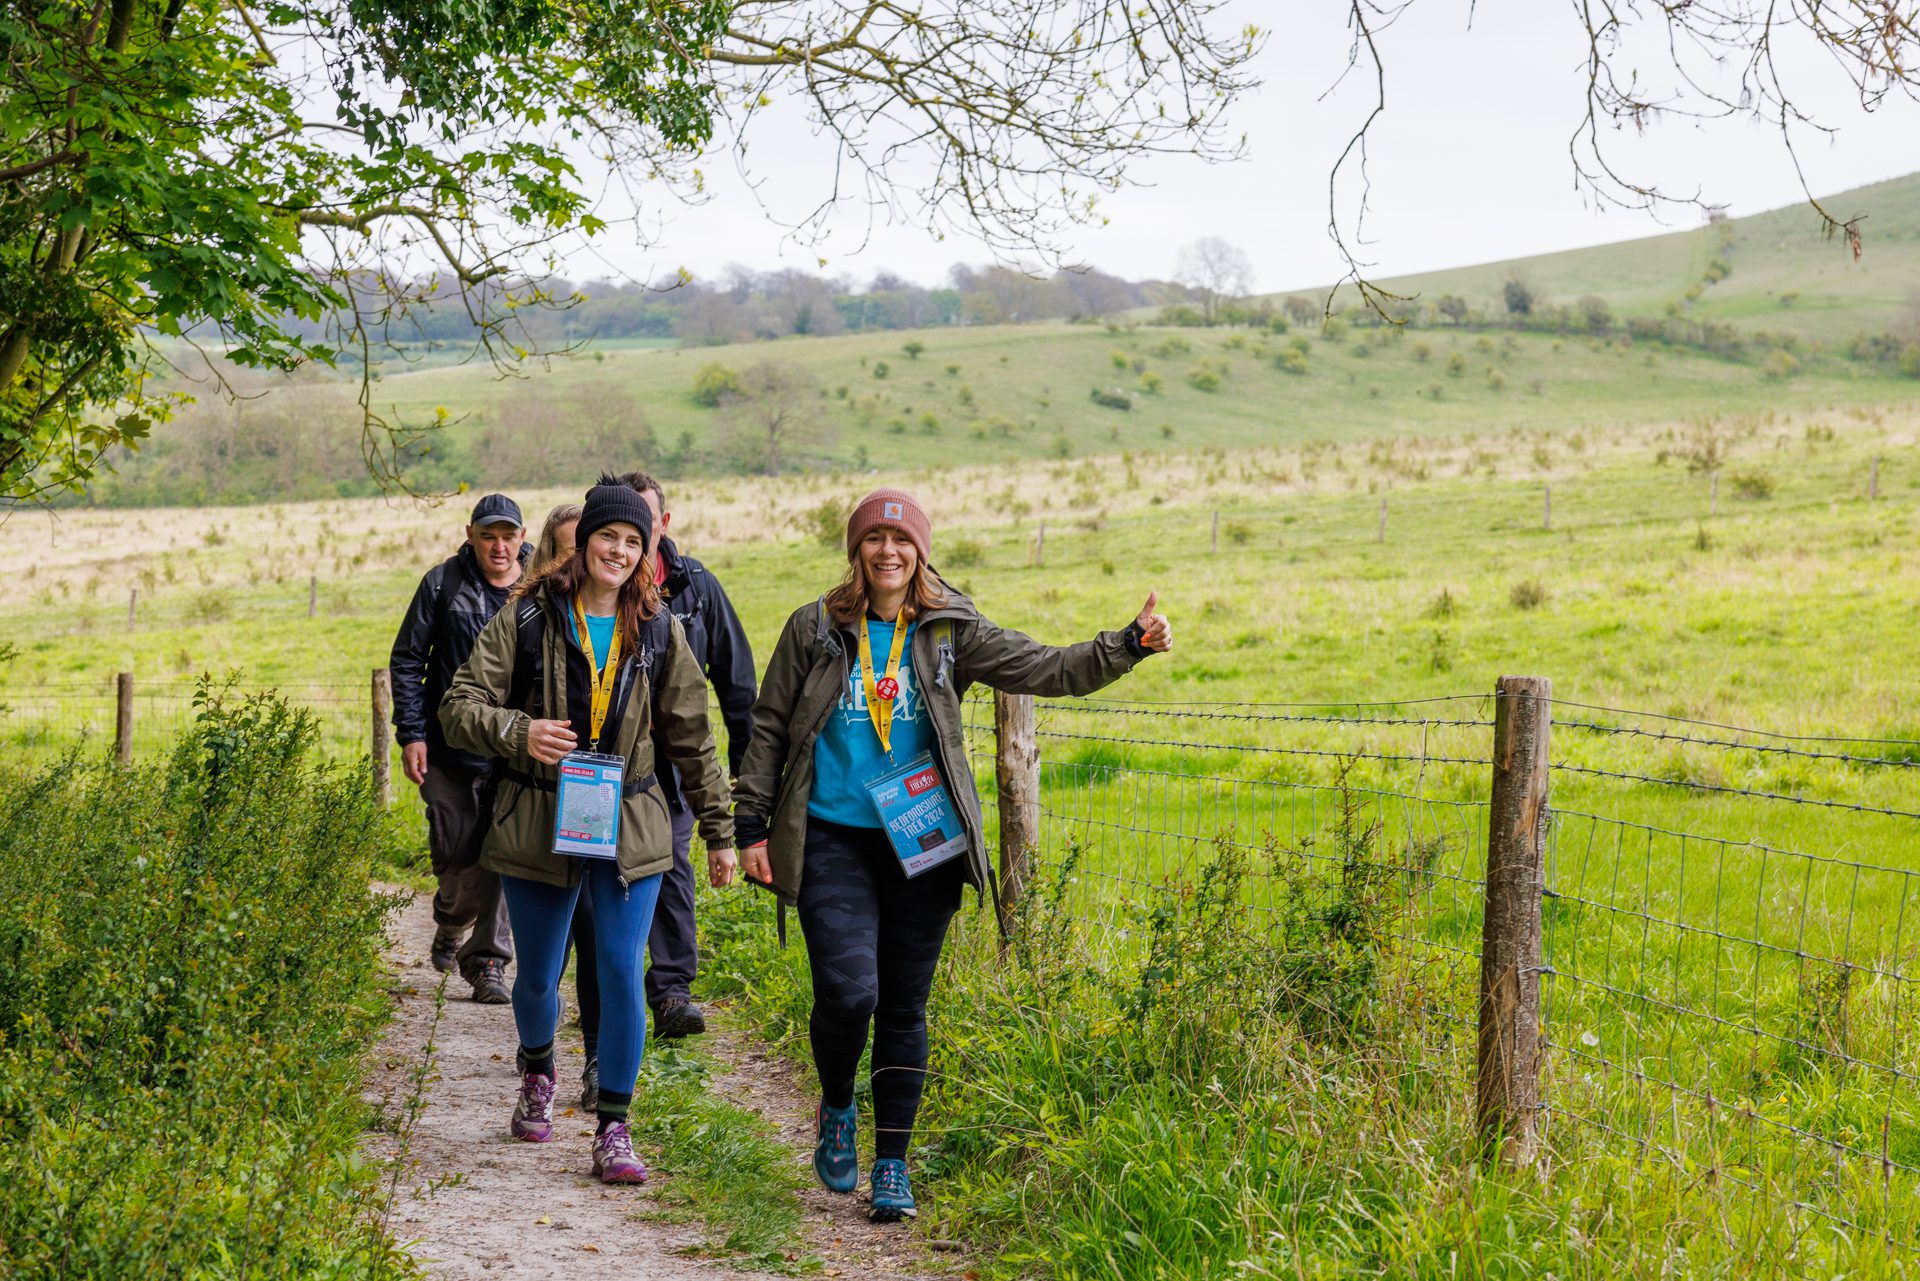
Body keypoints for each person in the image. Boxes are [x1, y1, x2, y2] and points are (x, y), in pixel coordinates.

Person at [733, 488, 1173, 1222]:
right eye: (874, 540)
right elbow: (769, 726)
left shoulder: (948, 628)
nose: (888, 553)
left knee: (904, 1003)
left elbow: (1045, 667)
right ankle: (838, 1102)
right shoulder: (815, 627)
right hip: (834, 836)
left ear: (922, 552)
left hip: (924, 840)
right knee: (849, 994)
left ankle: (892, 1163)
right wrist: (751, 827)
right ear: (856, 550)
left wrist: (1125, 644)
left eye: (902, 542)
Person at [439, 476, 739, 1185]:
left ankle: (614, 1127)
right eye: (609, 535)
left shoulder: (661, 630)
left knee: (619, 968)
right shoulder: (529, 618)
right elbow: (459, 705)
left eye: (635, 541)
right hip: (539, 815)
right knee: (540, 975)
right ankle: (538, 1071)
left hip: (632, 822)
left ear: (647, 550)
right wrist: (520, 731)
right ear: (583, 542)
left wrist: (721, 832)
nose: (620, 550)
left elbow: (695, 739)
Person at [558, 474, 760, 1112]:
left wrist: (736, 805)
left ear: (661, 525)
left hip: (660, 782)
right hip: (586, 785)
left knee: (670, 878)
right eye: (613, 532)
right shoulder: (563, 601)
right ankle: (594, 1048)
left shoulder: (695, 591)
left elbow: (731, 683)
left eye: (640, 529)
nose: (627, 545)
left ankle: (671, 992)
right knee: (594, 923)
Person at [389, 493, 530, 1004]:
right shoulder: (442, 584)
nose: (499, 546)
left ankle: (488, 962)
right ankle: (452, 920)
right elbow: (407, 661)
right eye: (488, 535)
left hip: (515, 748)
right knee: (457, 856)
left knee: (505, 854)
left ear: (521, 537)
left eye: (508, 535)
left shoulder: (540, 585)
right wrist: (412, 734)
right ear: (470, 534)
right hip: (449, 748)